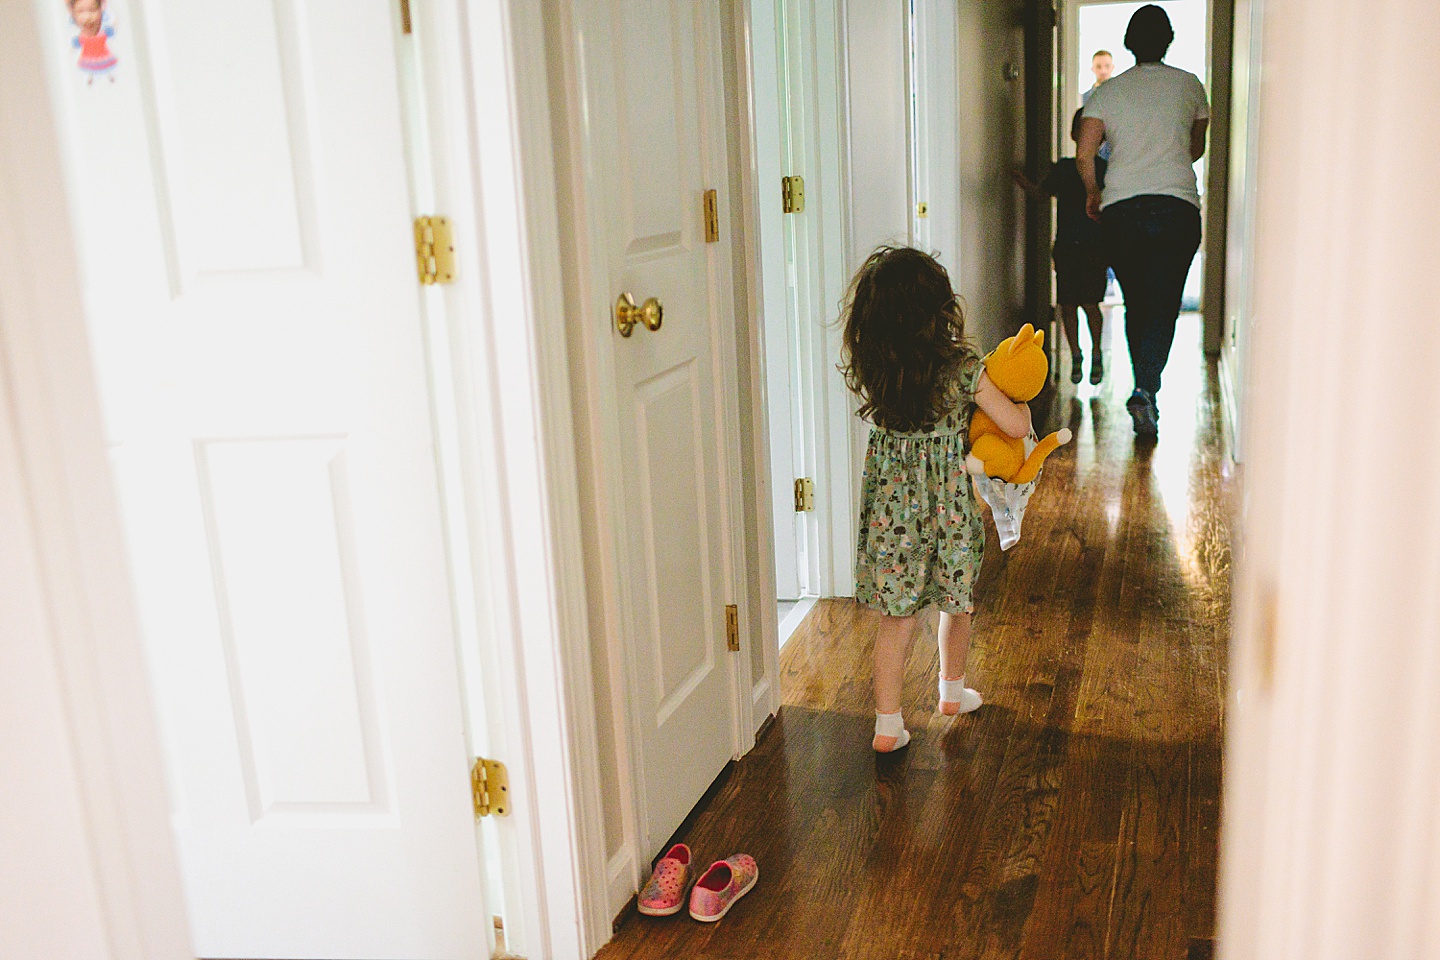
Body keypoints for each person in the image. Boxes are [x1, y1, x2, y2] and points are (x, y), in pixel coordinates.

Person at [840, 247, 1033, 753]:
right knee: (957, 601)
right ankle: (950, 691)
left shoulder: (877, 371)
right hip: (946, 513)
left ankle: (887, 726)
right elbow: (1015, 426)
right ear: (939, 310)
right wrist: (1020, 402)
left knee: (896, 618)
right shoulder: (963, 368)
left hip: (891, 518)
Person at [1078, 5, 1208, 437]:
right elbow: (1194, 148)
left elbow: (1085, 152)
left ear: (1129, 43)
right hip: (1176, 207)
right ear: (1167, 39)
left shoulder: (1106, 94)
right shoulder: (1189, 85)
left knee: (1137, 302)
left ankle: (1144, 388)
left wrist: (1094, 192)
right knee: (1165, 304)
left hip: (1123, 210)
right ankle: (1147, 388)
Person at [1013, 109, 1109, 385]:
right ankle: (1077, 356)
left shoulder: (1105, 170)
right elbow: (1042, 194)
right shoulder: (1064, 169)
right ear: (1073, 133)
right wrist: (1023, 183)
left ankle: (1097, 353)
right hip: (1067, 245)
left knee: (1090, 304)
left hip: (1094, 246)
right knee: (1067, 304)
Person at [1081, 50, 1115, 162]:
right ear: (1093, 69)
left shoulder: (1120, 98)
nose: (1103, 71)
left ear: (1112, 67)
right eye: (1099, 66)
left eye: (1107, 66)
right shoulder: (1084, 99)